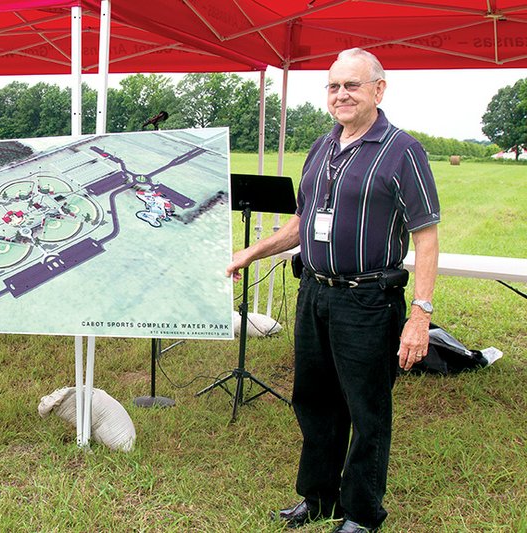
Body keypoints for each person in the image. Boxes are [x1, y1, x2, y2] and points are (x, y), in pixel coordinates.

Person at [226, 48, 439, 533]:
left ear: (378, 90)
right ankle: (319, 499)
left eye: (352, 85)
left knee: (366, 410)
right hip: (315, 295)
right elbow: (302, 223)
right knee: (313, 400)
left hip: (368, 300)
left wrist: (420, 315)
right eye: (333, 86)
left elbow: (426, 237)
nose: (341, 95)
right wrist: (251, 252)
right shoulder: (322, 147)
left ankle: (362, 514)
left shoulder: (404, 150)